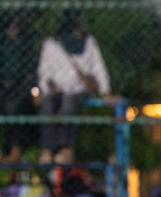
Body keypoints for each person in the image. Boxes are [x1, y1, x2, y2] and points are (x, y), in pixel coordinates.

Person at [36, 11, 112, 160]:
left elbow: (98, 67)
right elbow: (43, 70)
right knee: (47, 104)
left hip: (78, 88)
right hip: (57, 88)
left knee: (68, 103)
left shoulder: (89, 42)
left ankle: (66, 148)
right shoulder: (52, 44)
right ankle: (47, 148)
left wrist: (105, 90)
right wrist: (45, 88)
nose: (78, 34)